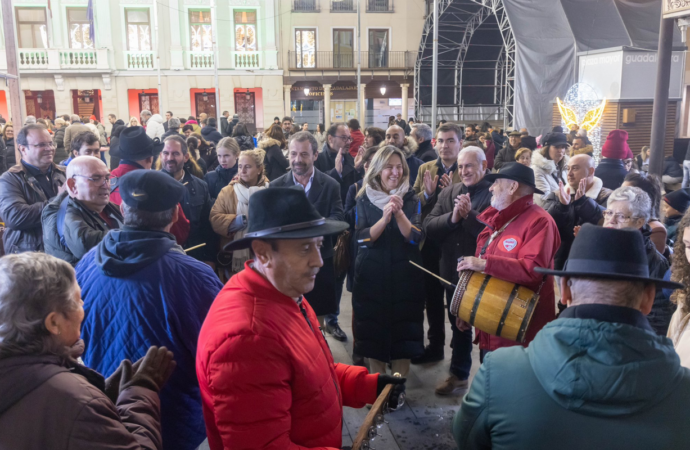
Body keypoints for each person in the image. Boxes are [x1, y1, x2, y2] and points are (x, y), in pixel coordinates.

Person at [198, 188, 403, 449]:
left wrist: (367, 386)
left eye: (318, 245)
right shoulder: (247, 340)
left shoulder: (284, 290)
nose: (318, 261)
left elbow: (309, 372)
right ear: (262, 252)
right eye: (305, 248)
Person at [453, 224, 689, 450]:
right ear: (648, 299)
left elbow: (467, 440)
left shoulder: (499, 373)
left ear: (564, 290)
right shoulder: (683, 391)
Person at [77, 170, 223, 450]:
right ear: (175, 215)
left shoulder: (86, 264)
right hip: (173, 420)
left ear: (122, 208)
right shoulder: (196, 277)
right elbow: (219, 358)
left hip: (102, 412)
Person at [0, 252, 176, 450]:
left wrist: (104, 394)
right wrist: (140, 394)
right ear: (53, 322)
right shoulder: (74, 402)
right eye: (77, 300)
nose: (82, 306)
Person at [457, 162, 560, 354]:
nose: (491, 188)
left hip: (519, 332)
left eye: (496, 182)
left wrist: (484, 264)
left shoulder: (540, 221)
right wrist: (467, 307)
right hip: (490, 321)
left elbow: (533, 271)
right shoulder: (498, 218)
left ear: (513, 187)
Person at [423, 146, 492, 394]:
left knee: (486, 331)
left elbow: (494, 235)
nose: (464, 171)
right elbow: (429, 227)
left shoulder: (495, 194)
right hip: (453, 274)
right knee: (458, 327)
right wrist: (453, 218)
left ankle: (488, 382)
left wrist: (469, 216)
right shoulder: (449, 192)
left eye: (470, 166)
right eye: (461, 167)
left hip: (484, 277)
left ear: (484, 166)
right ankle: (459, 375)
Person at [353, 145, 424, 375]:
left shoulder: (412, 199)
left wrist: (400, 213)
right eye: (388, 167)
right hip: (371, 276)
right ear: (377, 170)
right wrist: (384, 219)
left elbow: (414, 238)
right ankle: (377, 386)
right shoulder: (364, 198)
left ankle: (398, 388)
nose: (395, 172)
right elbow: (362, 239)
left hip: (406, 276)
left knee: (403, 334)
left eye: (399, 167)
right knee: (373, 333)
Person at [269, 131, 345, 323]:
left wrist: (309, 227)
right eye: (293, 154)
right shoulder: (276, 186)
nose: (297, 159)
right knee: (287, 317)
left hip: (320, 260)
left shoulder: (330, 185)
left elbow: (338, 218)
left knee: (316, 318)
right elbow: (273, 224)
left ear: (315, 155)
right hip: (287, 262)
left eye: (304, 154)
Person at [409, 123, 463, 364]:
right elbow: (413, 202)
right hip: (430, 243)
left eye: (450, 141)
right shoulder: (426, 169)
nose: (444, 146)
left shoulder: (468, 169)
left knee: (456, 301)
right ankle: (436, 346)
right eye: (440, 141)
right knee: (432, 299)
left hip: (456, 246)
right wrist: (428, 194)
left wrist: (452, 193)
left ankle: (458, 357)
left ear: (460, 144)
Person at [604, 185, 674, 335]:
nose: (611, 220)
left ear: (639, 222)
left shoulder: (654, 262)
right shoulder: (593, 248)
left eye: (621, 216)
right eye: (609, 213)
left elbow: (658, 321)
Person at [109, 126, 190, 247]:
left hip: (114, 251)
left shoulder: (105, 181)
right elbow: (180, 231)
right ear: (149, 158)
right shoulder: (159, 185)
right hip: (156, 253)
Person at [42, 156, 123, 265]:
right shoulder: (63, 213)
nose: (106, 185)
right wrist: (133, 234)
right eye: (96, 179)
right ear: (73, 185)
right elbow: (84, 244)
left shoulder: (103, 205)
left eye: (107, 178)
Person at [0, 124, 66, 253]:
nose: (50, 148)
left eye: (51, 143)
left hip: (65, 250)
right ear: (23, 149)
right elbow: (15, 217)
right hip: (30, 254)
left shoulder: (64, 172)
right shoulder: (9, 179)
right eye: (41, 145)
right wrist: (58, 201)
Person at [543, 153, 610, 273]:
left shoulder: (608, 196)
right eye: (568, 169)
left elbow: (608, 225)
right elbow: (544, 225)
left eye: (575, 168)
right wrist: (562, 207)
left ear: (590, 171)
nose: (569, 174)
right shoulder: (557, 195)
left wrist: (584, 203)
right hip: (559, 262)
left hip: (593, 263)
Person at [210, 148, 268, 276]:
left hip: (263, 256)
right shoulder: (228, 191)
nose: (242, 171)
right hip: (233, 256)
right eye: (240, 166)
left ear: (259, 169)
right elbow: (214, 218)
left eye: (248, 166)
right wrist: (235, 222)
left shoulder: (269, 190)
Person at [160, 135, 215, 264]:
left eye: (175, 154)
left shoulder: (200, 186)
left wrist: (210, 258)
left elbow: (207, 226)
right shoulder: (150, 185)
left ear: (186, 157)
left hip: (194, 257)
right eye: (166, 153)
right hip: (162, 258)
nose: (169, 158)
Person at [623, 172, 667, 255]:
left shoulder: (656, 230)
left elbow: (648, 263)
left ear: (645, 198)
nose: (620, 195)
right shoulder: (616, 217)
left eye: (627, 192)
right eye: (620, 190)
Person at [532, 132, 569, 207]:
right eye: (556, 147)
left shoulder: (564, 168)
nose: (560, 150)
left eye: (563, 147)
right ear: (546, 148)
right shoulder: (536, 170)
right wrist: (559, 195)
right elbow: (543, 202)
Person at [204, 137, 240, 201]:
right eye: (219, 156)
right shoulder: (210, 177)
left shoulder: (245, 176)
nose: (222, 160)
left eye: (226, 156)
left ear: (237, 155)